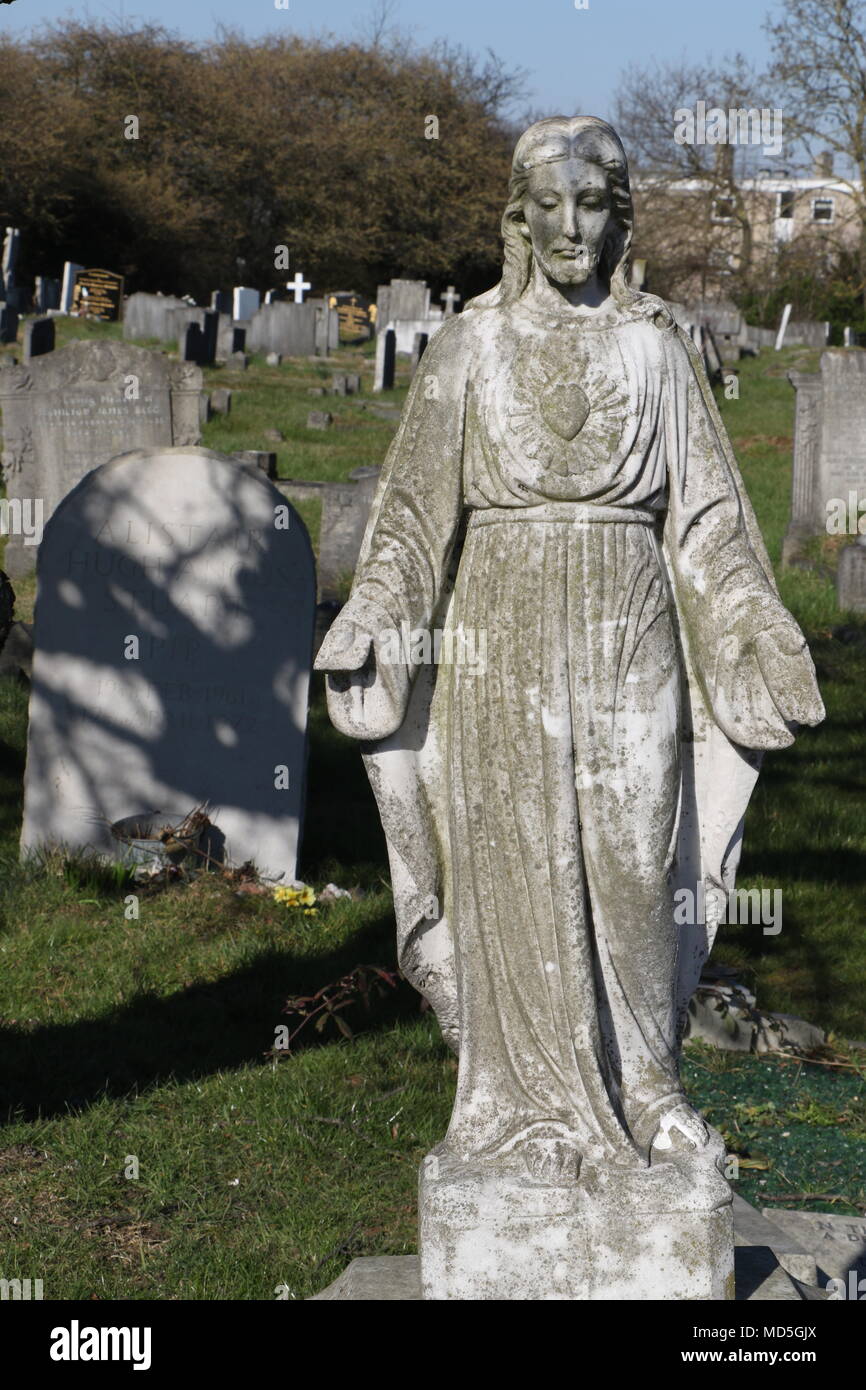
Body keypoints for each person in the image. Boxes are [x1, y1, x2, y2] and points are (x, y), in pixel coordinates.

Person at [315, 116, 824, 1185]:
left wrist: (750, 622)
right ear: (516, 215)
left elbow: (709, 522)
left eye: (591, 205)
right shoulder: (467, 346)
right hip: (497, 633)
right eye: (547, 206)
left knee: (635, 856)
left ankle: (647, 1084)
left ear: (618, 214)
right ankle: (511, 1103)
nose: (570, 228)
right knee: (514, 858)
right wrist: (374, 617)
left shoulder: (654, 347)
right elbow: (412, 517)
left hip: (625, 622)